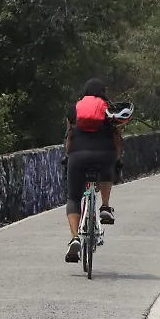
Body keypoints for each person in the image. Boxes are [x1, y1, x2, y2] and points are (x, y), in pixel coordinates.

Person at [63, 78, 122, 263]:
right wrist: (116, 160)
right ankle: (105, 206)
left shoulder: (74, 109)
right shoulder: (110, 111)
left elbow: (69, 137)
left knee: (73, 198)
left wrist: (68, 156)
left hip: (78, 156)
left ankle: (74, 238)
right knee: (107, 169)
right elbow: (117, 140)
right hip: (104, 155)